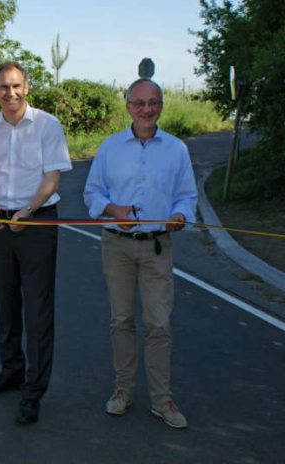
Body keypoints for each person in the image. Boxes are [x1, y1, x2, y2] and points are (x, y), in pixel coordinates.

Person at [83, 78, 197, 429]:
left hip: (157, 247)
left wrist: (180, 216)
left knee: (158, 324)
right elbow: (92, 194)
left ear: (161, 105)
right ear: (128, 106)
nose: (147, 109)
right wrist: (112, 210)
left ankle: (162, 399)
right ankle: (124, 390)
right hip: (116, 246)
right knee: (121, 321)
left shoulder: (177, 149)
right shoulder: (109, 148)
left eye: (153, 102)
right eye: (139, 103)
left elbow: (187, 197)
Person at [0, 62, 72, 424]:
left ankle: (33, 391)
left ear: (26, 87)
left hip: (37, 221)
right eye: (3, 87)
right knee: (6, 302)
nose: (10, 93)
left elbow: (52, 179)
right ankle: (11, 370)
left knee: (38, 310)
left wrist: (28, 210)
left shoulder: (47, 125)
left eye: (16, 86)